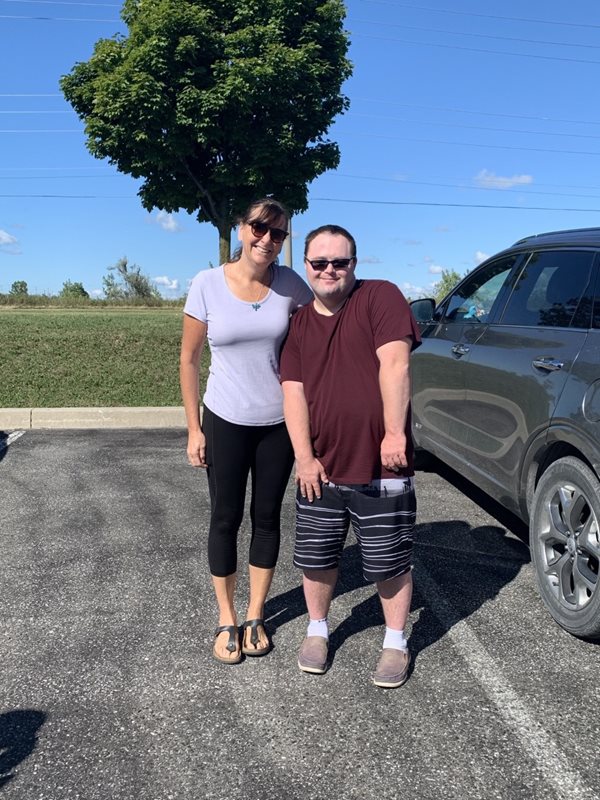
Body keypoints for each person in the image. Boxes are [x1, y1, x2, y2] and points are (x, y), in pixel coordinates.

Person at [280, 224, 421, 688]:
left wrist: (395, 433)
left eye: (339, 261)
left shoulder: (380, 298)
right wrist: (304, 456)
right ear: (306, 267)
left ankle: (396, 641)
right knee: (316, 557)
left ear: (354, 265)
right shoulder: (298, 323)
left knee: (388, 560)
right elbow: (294, 392)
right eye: (319, 262)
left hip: (383, 463)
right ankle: (317, 630)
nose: (329, 270)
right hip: (321, 467)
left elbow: (395, 363)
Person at [180, 198, 313, 664]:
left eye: (278, 234)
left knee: (267, 518)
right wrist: (194, 428)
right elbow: (189, 360)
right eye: (259, 228)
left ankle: (255, 614)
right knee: (225, 517)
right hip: (224, 419)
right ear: (240, 228)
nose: (267, 240)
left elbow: (323, 331)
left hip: (277, 423)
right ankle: (226, 617)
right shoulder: (207, 284)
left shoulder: (292, 286)